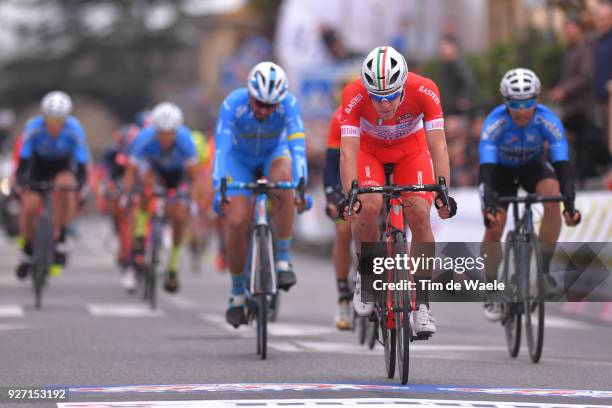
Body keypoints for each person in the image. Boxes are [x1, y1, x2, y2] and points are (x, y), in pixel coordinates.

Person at [340, 46, 457, 336]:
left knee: (419, 213)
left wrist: (443, 190)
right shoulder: (353, 94)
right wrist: (350, 195)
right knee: (367, 207)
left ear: (403, 84)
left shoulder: (425, 89)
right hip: (370, 151)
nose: (384, 103)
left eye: (392, 95)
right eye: (377, 97)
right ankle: (367, 276)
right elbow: (348, 151)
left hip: (410, 150)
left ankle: (423, 304)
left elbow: (438, 145)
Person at [479, 68, 582, 321]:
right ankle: (491, 289)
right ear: (506, 101)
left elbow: (563, 165)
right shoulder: (495, 123)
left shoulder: (547, 120)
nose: (523, 109)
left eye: (528, 102)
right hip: (499, 172)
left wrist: (569, 203)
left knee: (553, 194)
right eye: (516, 103)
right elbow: (487, 172)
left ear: (537, 99)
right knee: (495, 226)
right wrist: (489, 204)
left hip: (532, 167)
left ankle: (543, 273)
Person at [213, 61, 308, 328]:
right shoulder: (233, 104)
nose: (265, 111)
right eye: (260, 104)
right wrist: (218, 185)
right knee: (236, 221)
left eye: (271, 106)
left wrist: (301, 185)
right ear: (250, 95)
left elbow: (297, 148)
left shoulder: (289, 104)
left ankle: (283, 259)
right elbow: (220, 150)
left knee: (285, 179)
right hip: (238, 161)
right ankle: (237, 294)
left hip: (272, 155)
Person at [122, 102, 205, 294]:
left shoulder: (185, 140)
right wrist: (127, 194)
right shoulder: (144, 138)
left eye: (170, 133)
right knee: (146, 184)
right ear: (155, 129)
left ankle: (173, 267)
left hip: (176, 175)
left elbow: (195, 176)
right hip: (153, 170)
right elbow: (131, 171)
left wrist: (192, 200)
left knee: (179, 216)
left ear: (177, 130)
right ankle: (141, 234)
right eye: (161, 133)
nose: (166, 138)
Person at [15, 91, 90, 279]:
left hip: (62, 166)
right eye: (50, 119)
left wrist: (78, 186)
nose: (54, 125)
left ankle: (61, 238)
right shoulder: (34, 127)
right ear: (43, 116)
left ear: (66, 118)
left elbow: (81, 165)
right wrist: (21, 182)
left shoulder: (75, 129)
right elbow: (23, 162)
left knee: (67, 186)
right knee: (29, 205)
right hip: (38, 166)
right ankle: (28, 248)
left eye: (59, 120)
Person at [549, 14, 603, 181]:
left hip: (582, 108)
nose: (567, 31)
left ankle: (584, 178)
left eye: (570, 28)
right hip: (571, 108)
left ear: (578, 29)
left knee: (585, 144)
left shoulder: (584, 48)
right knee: (574, 145)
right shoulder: (570, 49)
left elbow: (585, 76)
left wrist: (563, 90)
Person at [324, 103, 354, 330]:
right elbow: (332, 162)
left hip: (377, 170)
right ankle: (343, 294)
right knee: (343, 230)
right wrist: (330, 196)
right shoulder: (340, 116)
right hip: (346, 175)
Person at [593, 1, 612, 160]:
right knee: (604, 137)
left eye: (606, 17)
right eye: (600, 17)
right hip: (597, 99)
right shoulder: (594, 40)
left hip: (610, 98)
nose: (603, 20)